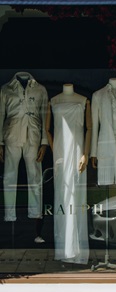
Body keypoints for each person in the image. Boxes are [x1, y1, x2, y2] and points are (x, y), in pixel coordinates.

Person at [0, 72, 48, 242]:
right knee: (9, 177)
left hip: (33, 135)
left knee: (35, 176)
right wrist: (0, 142)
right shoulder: (6, 89)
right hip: (12, 135)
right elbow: (0, 115)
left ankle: (35, 213)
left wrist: (44, 142)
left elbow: (44, 116)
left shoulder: (40, 89)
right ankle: (9, 215)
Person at [46, 83, 91, 264]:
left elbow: (89, 129)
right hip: (60, 153)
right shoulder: (53, 101)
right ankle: (65, 248)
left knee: (77, 200)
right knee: (62, 199)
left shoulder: (83, 101)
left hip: (78, 151)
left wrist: (86, 154)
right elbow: (47, 129)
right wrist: (54, 149)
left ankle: (76, 249)